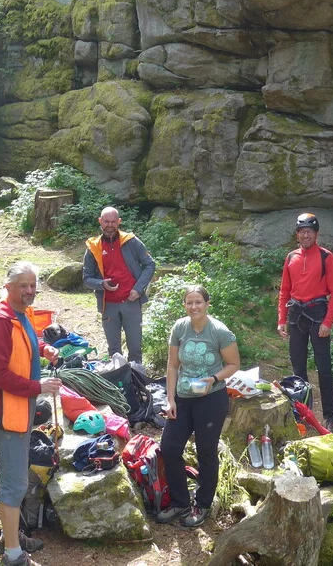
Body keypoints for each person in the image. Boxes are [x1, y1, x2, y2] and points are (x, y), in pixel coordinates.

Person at [0, 262, 63, 566]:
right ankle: (13, 555)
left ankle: (8, 538)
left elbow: (26, 339)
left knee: (10, 475)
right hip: (8, 411)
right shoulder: (0, 321)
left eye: (32, 285)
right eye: (23, 285)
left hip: (20, 408)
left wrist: (43, 348)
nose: (29, 291)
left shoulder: (20, 313)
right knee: (13, 483)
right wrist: (37, 386)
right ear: (9, 287)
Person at [156, 285, 240, 528]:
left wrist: (214, 378)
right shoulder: (180, 328)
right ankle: (180, 502)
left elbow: (234, 363)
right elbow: (172, 366)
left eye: (198, 302)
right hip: (183, 397)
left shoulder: (220, 332)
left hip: (211, 398)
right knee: (170, 448)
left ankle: (202, 504)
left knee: (205, 450)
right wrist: (170, 399)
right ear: (184, 305)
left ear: (207, 304)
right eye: (189, 302)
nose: (194, 307)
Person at [276, 212, 333, 432]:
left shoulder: (327, 257)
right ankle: (303, 412)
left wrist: (328, 322)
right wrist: (281, 320)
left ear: (316, 234)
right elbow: (284, 290)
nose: (306, 235)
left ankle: (331, 416)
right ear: (297, 235)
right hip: (296, 313)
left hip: (317, 313)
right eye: (302, 232)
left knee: (324, 368)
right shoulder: (290, 258)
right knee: (298, 368)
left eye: (309, 231)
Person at [82, 206, 156, 363]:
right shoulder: (93, 247)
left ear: (119, 222)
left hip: (131, 301)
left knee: (135, 349)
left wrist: (138, 288)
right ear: (100, 222)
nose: (110, 225)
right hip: (108, 304)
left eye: (113, 222)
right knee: (114, 351)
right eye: (106, 221)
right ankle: (118, 382)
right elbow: (86, 278)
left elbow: (149, 264)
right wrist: (101, 284)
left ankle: (137, 381)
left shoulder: (131, 241)